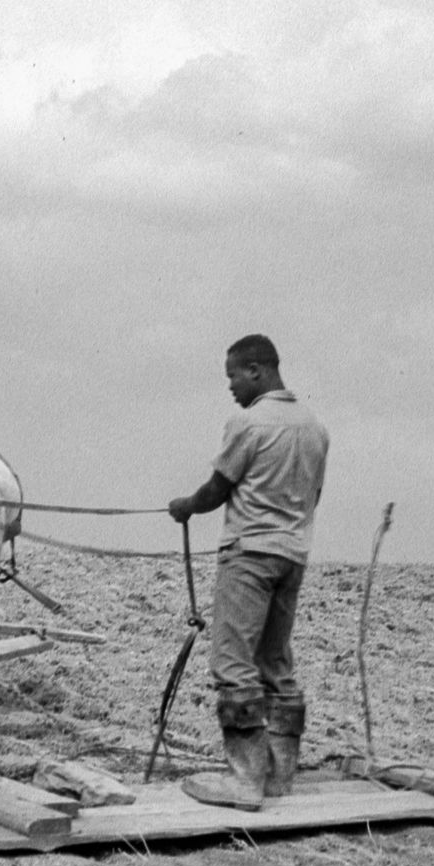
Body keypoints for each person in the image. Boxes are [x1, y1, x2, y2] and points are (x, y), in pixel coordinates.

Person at [168, 332, 329, 808]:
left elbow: (217, 489)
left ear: (257, 370)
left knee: (232, 662)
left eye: (233, 377)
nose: (232, 388)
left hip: (249, 554)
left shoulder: (249, 423)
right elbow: (314, 496)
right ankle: (280, 774)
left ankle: (245, 780)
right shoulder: (315, 428)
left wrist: (184, 507)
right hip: (293, 554)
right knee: (275, 661)